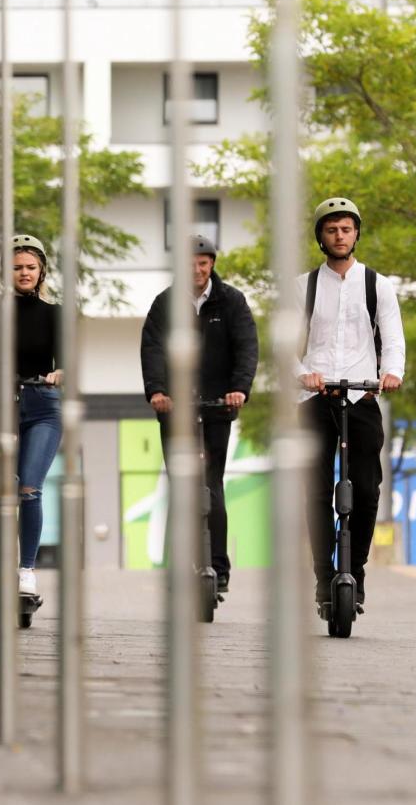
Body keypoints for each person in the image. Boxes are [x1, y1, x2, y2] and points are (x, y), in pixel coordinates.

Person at [296, 197, 404, 614]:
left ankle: (354, 571)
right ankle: (325, 578)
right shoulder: (302, 285)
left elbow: (392, 338)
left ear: (357, 233)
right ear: (321, 237)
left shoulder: (378, 284)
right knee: (316, 492)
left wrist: (392, 372)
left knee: (368, 488)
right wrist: (300, 371)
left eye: (346, 229)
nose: (339, 236)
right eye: (331, 229)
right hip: (314, 396)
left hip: (361, 394)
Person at [140, 234, 259, 594]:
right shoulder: (165, 305)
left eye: (203, 262)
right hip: (175, 410)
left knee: (211, 484)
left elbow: (247, 347)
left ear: (212, 264)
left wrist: (239, 389)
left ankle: (218, 567)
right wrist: (158, 391)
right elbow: (152, 349)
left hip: (218, 406)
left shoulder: (232, 301)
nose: (196, 269)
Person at [0, 234, 63, 600]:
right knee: (1, 488)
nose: (23, 273)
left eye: (30, 267)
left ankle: (26, 570)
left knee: (29, 487)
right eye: (16, 268)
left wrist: (62, 373)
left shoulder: (54, 314)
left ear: (41, 271)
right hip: (3, 406)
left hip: (43, 406)